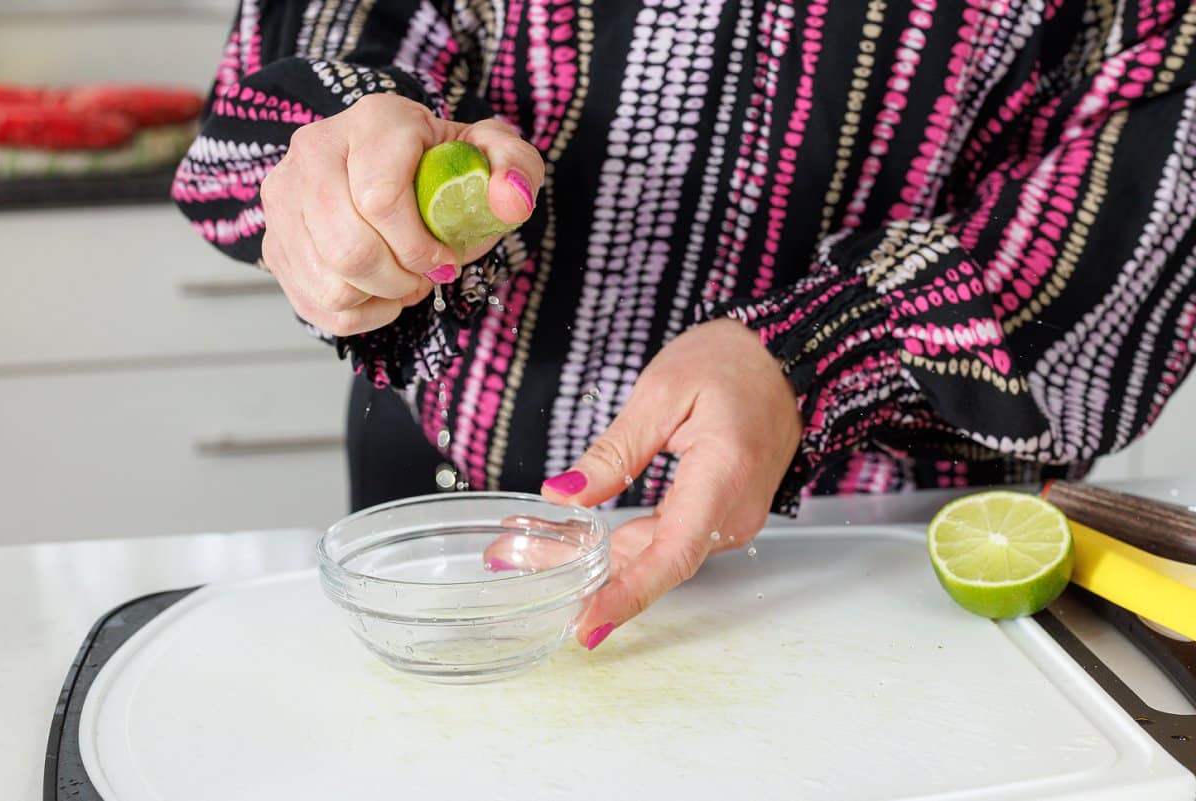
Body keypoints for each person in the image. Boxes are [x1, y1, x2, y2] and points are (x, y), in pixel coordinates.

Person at [174, 0, 1196, 652]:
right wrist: (344, 169)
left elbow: (1143, 204)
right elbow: (325, 41)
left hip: (880, 561)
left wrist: (813, 356)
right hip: (465, 506)